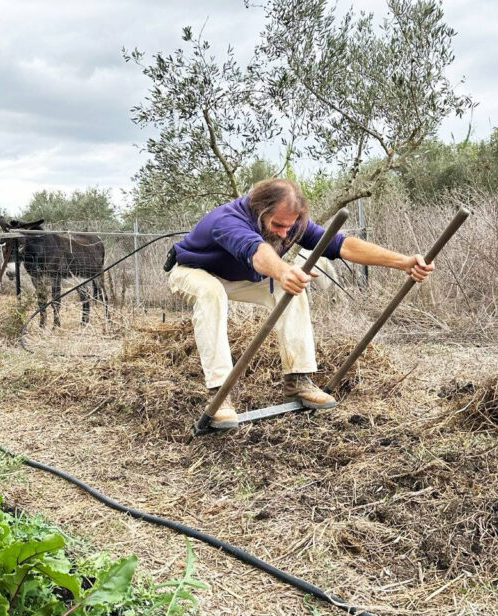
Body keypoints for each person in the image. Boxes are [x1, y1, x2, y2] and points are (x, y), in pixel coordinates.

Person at [167, 178, 434, 429]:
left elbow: (342, 245)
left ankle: (297, 379)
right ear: (259, 211)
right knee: (211, 292)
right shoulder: (228, 220)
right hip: (192, 271)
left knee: (289, 288)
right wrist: (284, 270)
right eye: (277, 226)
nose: (285, 234)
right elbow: (256, 252)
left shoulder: (292, 223)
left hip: (238, 276)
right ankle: (219, 392)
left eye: (289, 226)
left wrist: (403, 262)